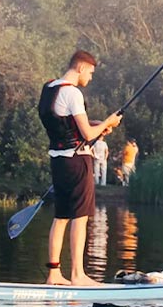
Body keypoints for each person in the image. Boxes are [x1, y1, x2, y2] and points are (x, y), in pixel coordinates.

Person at [38, 50, 121, 286]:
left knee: (61, 216)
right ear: (82, 68)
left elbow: (65, 124)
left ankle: (54, 273)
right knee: (80, 217)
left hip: (58, 160)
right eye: (91, 73)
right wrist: (107, 123)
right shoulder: (73, 93)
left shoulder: (49, 88)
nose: (91, 78)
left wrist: (99, 126)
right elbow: (87, 134)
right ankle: (78, 275)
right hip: (77, 161)